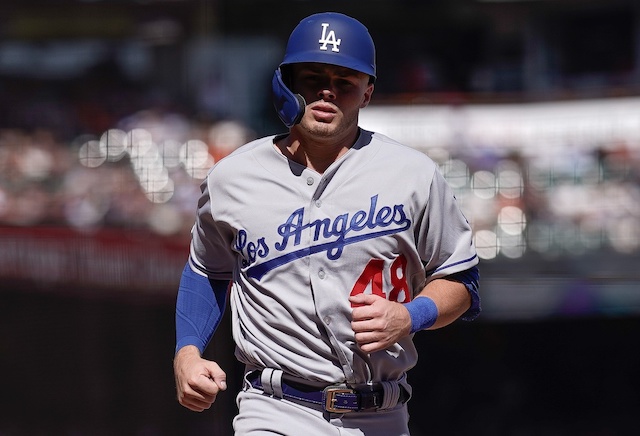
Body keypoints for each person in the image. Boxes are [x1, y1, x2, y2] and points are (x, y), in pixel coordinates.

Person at [173, 12, 480, 435]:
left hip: (382, 413)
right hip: (274, 408)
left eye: (344, 82)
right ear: (287, 81)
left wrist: (412, 315)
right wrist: (187, 352)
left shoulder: (413, 175)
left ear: (367, 92)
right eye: (313, 77)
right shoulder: (233, 177)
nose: (326, 92)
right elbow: (207, 270)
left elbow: (461, 280)